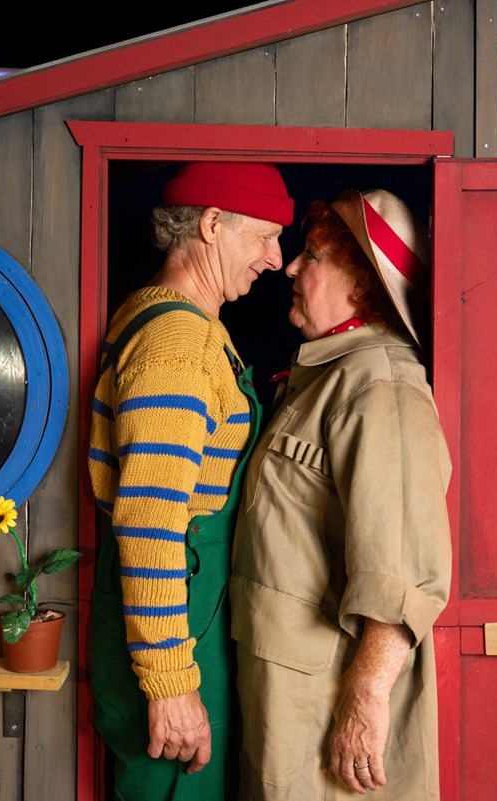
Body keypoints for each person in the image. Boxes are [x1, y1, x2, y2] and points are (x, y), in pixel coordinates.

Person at [230, 188, 452, 800]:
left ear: (362, 284)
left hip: (327, 697)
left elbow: (402, 570)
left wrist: (366, 697)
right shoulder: (330, 374)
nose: (290, 268)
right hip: (288, 689)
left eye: (312, 256)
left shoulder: (381, 385)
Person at [87, 161, 294, 801]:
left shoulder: (175, 318)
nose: (276, 258)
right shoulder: (177, 342)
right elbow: (150, 520)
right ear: (211, 224)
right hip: (174, 637)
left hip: (185, 624)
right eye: (265, 235)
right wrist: (171, 683)